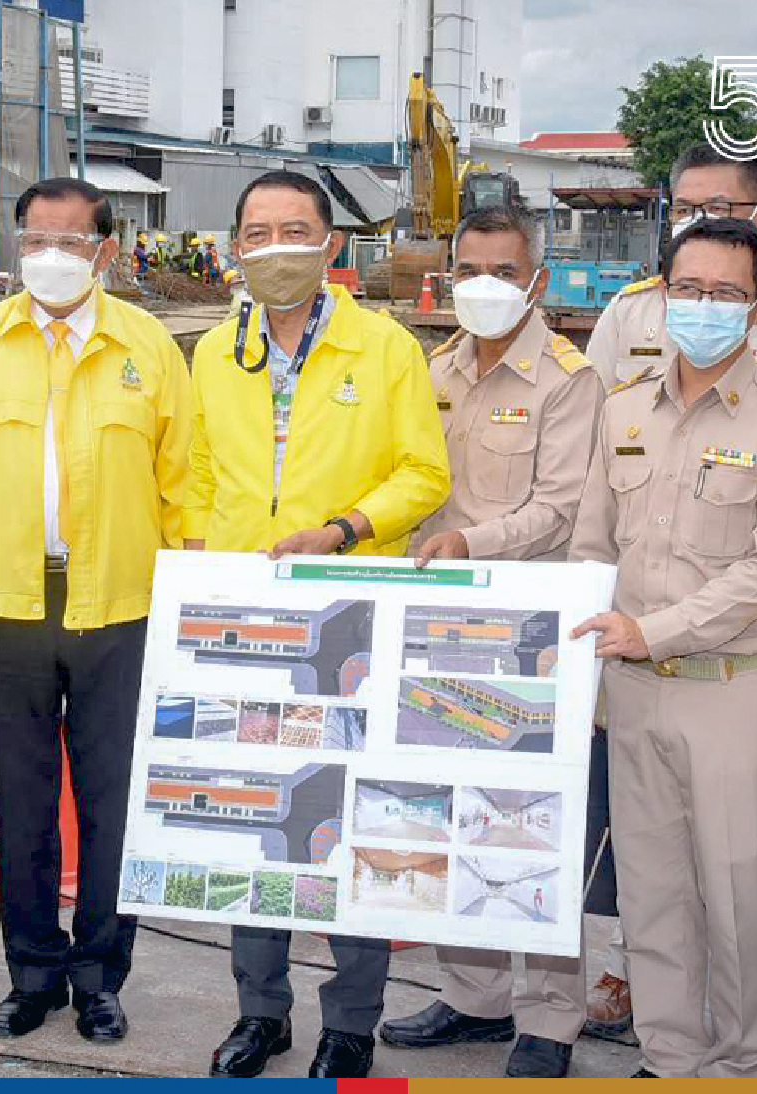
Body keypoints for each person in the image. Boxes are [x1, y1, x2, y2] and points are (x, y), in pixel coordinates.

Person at [0, 177, 192, 1044]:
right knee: (21, 800)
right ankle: (31, 973)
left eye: (70, 242)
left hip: (120, 604)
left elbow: (185, 485)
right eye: (36, 240)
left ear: (105, 251)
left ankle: (101, 976)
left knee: (113, 803)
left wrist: (188, 602)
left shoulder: (147, 346)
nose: (50, 257)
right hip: (7, 605)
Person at [186, 170, 450, 1080]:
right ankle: (260, 1011)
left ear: (331, 243)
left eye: (294, 230)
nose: (276, 249)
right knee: (257, 813)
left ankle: (352, 1019)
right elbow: (203, 474)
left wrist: (342, 531)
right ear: (236, 248)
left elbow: (424, 473)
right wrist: (204, 566)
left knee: (349, 818)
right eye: (257, 234)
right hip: (244, 615)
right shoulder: (215, 351)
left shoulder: (386, 348)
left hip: (351, 611)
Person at [568, 217, 757, 1078]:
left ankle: (739, 1061)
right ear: (661, 295)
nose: (704, 306)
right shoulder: (623, 409)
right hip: (634, 689)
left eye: (725, 293)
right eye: (688, 289)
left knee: (738, 895)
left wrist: (652, 631)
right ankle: (669, 1055)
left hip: (734, 689)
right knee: (651, 892)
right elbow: (592, 544)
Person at [377, 204, 602, 1079]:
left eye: (503, 272)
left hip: (528, 629)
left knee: (531, 823)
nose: (484, 286)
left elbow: (563, 506)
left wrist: (473, 542)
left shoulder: (569, 381)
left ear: (536, 281)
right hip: (436, 626)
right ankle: (472, 994)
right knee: (452, 811)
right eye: (470, 269)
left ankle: (548, 1015)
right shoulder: (432, 370)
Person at [589, 144, 757, 435]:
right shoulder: (628, 311)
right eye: (684, 210)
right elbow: (594, 426)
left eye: (718, 208)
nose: (697, 222)